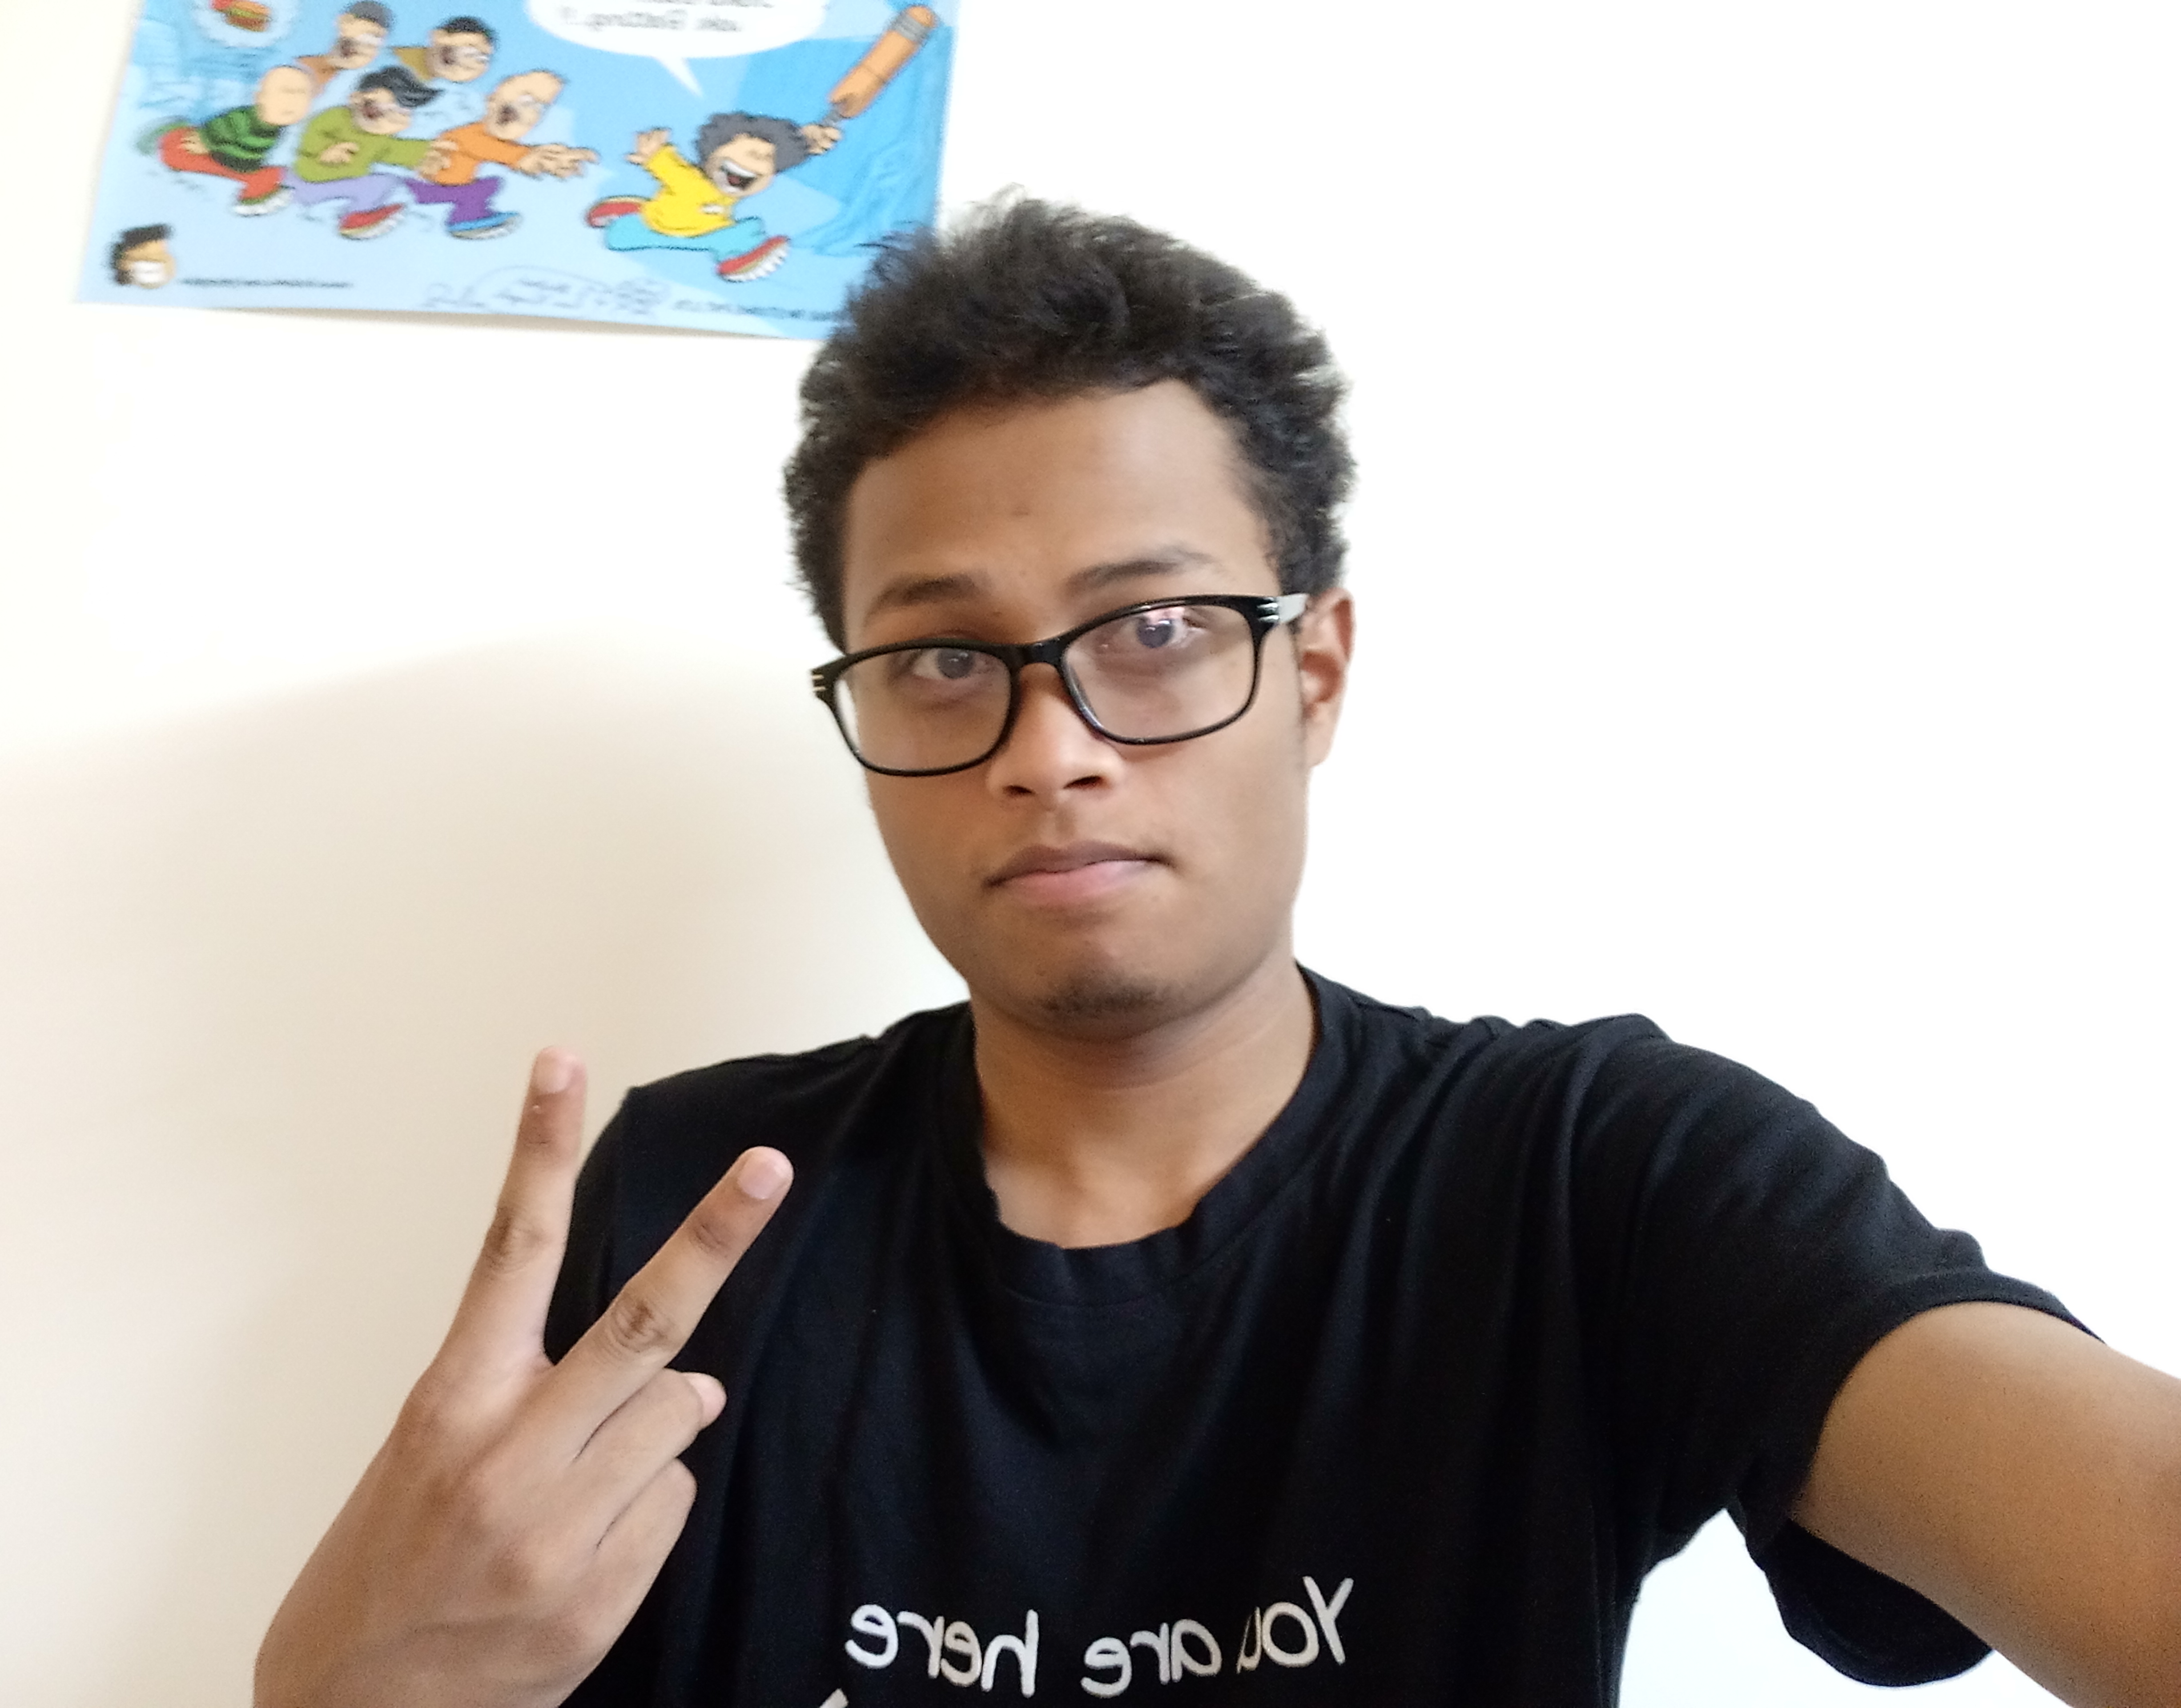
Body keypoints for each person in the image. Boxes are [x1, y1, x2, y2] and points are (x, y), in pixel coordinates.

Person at [252, 199, 2181, 1708]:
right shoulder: (694, 1206)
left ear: (1313, 670)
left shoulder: (1590, 1170)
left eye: (1155, 628)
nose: (1051, 746)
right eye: (942, 658)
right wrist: (353, 1682)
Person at [584, 111, 840, 282]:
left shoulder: (735, 188)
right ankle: (633, 211)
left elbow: (788, 154)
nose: (756, 163)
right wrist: (655, 153)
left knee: (746, 231)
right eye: (752, 153)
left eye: (766, 159)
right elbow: (668, 166)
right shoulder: (690, 181)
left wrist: (804, 142)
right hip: (659, 225)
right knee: (620, 237)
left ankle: (736, 261)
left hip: (708, 232)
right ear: (713, 152)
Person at [409, 69, 596, 239]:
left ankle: (467, 217)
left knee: (489, 185)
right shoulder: (469, 136)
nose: (528, 111)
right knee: (485, 188)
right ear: (491, 100)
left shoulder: (483, 135)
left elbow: (508, 151)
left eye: (538, 108)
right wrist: (539, 158)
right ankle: (465, 220)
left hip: (449, 187)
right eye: (526, 101)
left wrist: (546, 157)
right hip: (428, 189)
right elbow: (501, 152)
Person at [284, 65, 451, 239]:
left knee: (387, 182)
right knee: (378, 183)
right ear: (356, 99)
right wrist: (325, 150)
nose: (386, 119)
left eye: (401, 113)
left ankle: (356, 217)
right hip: (311, 176)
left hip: (344, 181)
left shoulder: (379, 137)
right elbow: (313, 134)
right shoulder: (336, 117)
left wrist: (428, 152)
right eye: (375, 110)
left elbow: (394, 150)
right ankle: (356, 217)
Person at [147, 63, 314, 214]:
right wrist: (206, 141)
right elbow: (221, 127)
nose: (292, 102)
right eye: (286, 93)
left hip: (242, 163)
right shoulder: (245, 119)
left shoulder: (276, 127)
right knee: (180, 149)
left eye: (302, 97)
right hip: (220, 157)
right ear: (260, 98)